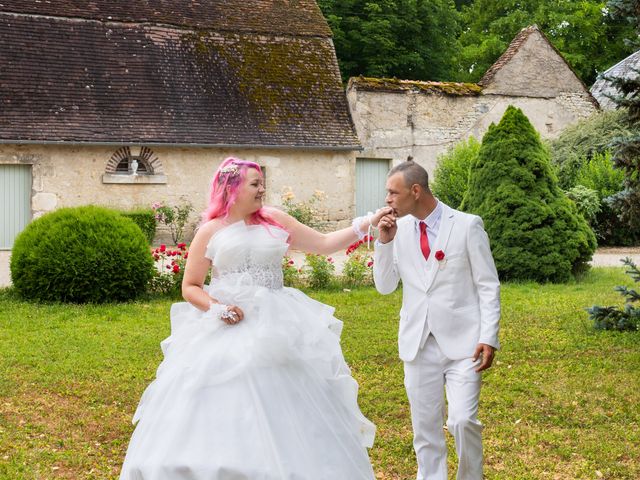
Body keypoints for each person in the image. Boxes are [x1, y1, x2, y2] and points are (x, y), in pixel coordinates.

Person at [120, 157, 384, 480]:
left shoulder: (274, 220)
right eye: (255, 184)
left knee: (290, 397)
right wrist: (217, 308)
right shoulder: (210, 231)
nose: (262, 189)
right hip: (227, 324)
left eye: (262, 183)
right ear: (232, 188)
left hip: (278, 323)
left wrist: (368, 223)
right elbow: (190, 286)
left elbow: (324, 244)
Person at [373, 160, 500, 480]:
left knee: (462, 420)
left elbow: (488, 285)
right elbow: (385, 286)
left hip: (465, 344)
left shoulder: (467, 225)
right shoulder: (397, 229)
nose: (387, 199)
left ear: (415, 191)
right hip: (418, 344)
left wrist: (489, 336)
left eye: (393, 192)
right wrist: (384, 242)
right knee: (425, 431)